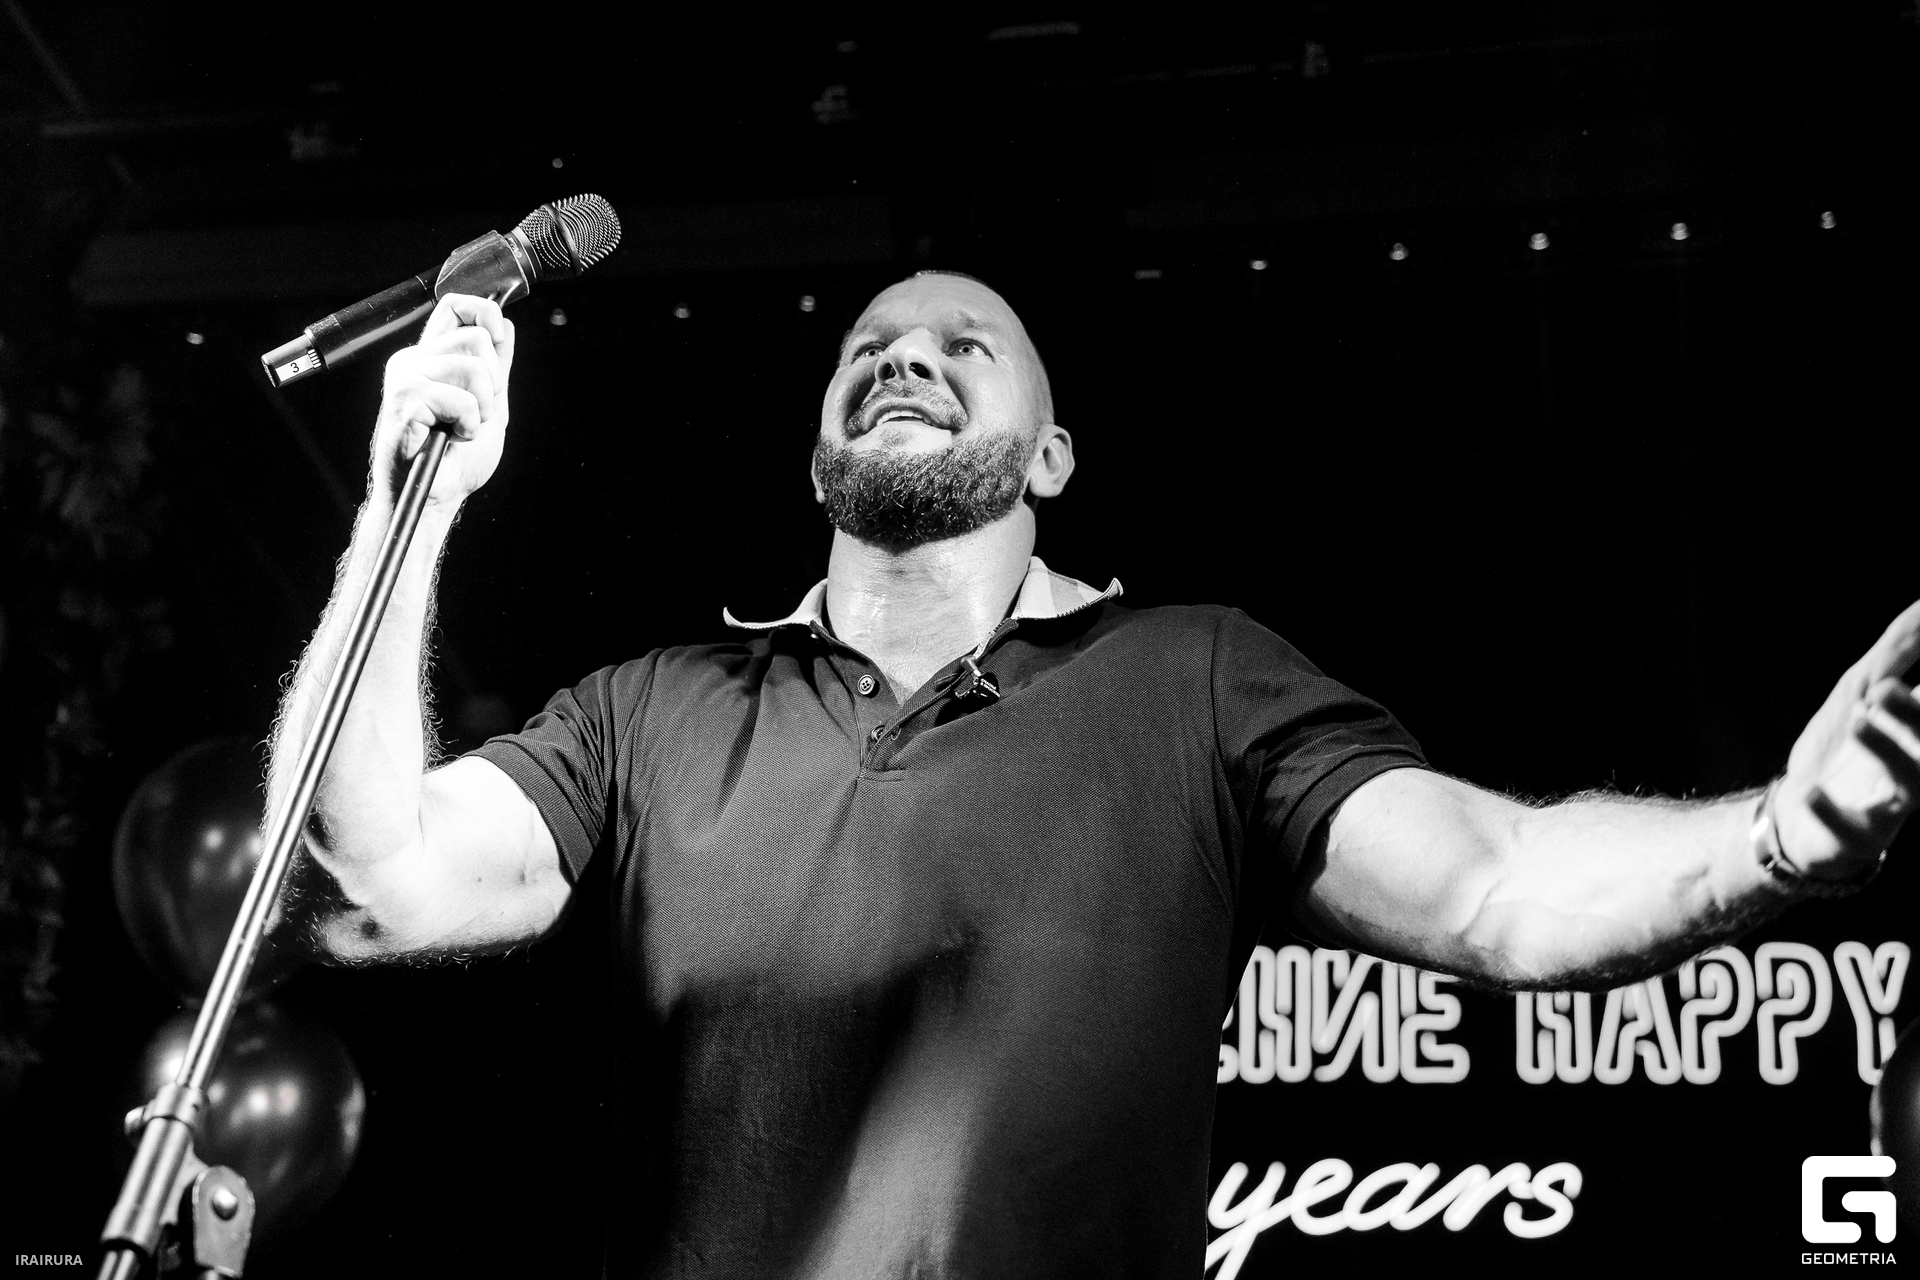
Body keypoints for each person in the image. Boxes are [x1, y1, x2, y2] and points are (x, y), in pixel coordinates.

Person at [269, 271, 1920, 1277]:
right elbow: (364, 880)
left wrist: (1775, 836)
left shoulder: (1193, 680)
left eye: (963, 342)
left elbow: (1492, 886)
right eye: (870, 344)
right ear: (820, 453)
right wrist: (404, 511)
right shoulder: (653, 711)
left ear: (1050, 456)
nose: (904, 355)